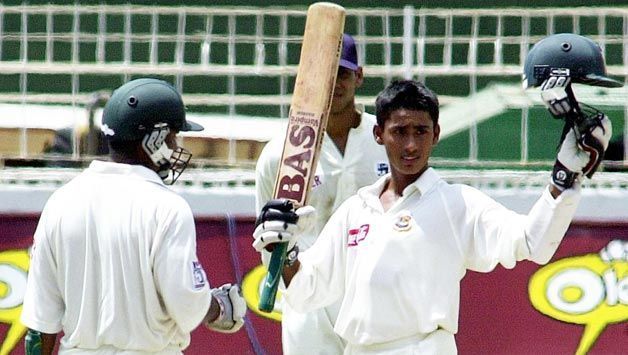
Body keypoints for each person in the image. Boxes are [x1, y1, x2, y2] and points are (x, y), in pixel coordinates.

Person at [252, 78, 611, 354]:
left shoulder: (458, 204)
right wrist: (285, 250)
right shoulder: (356, 210)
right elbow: (305, 291)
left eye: (421, 131)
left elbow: (533, 242)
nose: (411, 145)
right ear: (379, 134)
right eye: (399, 132)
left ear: (436, 134)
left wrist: (563, 179)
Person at [20, 78, 246, 355]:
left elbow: (40, 326)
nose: (175, 149)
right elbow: (187, 305)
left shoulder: (60, 203)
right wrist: (221, 307)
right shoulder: (167, 208)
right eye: (172, 138)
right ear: (153, 140)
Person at [254, 33, 389, 354]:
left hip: (377, 291)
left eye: (341, 74)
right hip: (309, 294)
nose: (333, 84)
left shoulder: (386, 141)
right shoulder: (282, 153)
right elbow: (266, 237)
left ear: (358, 75)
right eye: (324, 74)